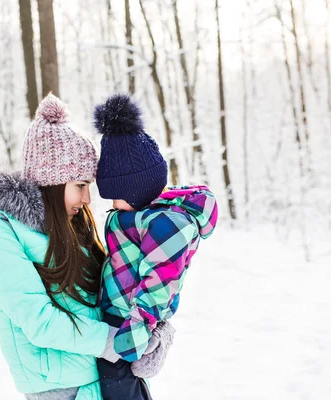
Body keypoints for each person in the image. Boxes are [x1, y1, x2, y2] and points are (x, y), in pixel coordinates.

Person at [0, 94, 168, 400]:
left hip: (108, 374)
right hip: (61, 389)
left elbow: (109, 292)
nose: (87, 200)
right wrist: (119, 341)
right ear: (53, 181)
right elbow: (40, 321)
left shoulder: (69, 219)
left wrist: (154, 332)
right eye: (81, 186)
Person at [92, 94, 219, 400]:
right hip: (117, 318)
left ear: (136, 190)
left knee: (120, 391)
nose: (112, 205)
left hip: (128, 324)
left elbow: (159, 284)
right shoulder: (143, 217)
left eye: (115, 196)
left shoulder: (168, 225)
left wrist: (133, 335)